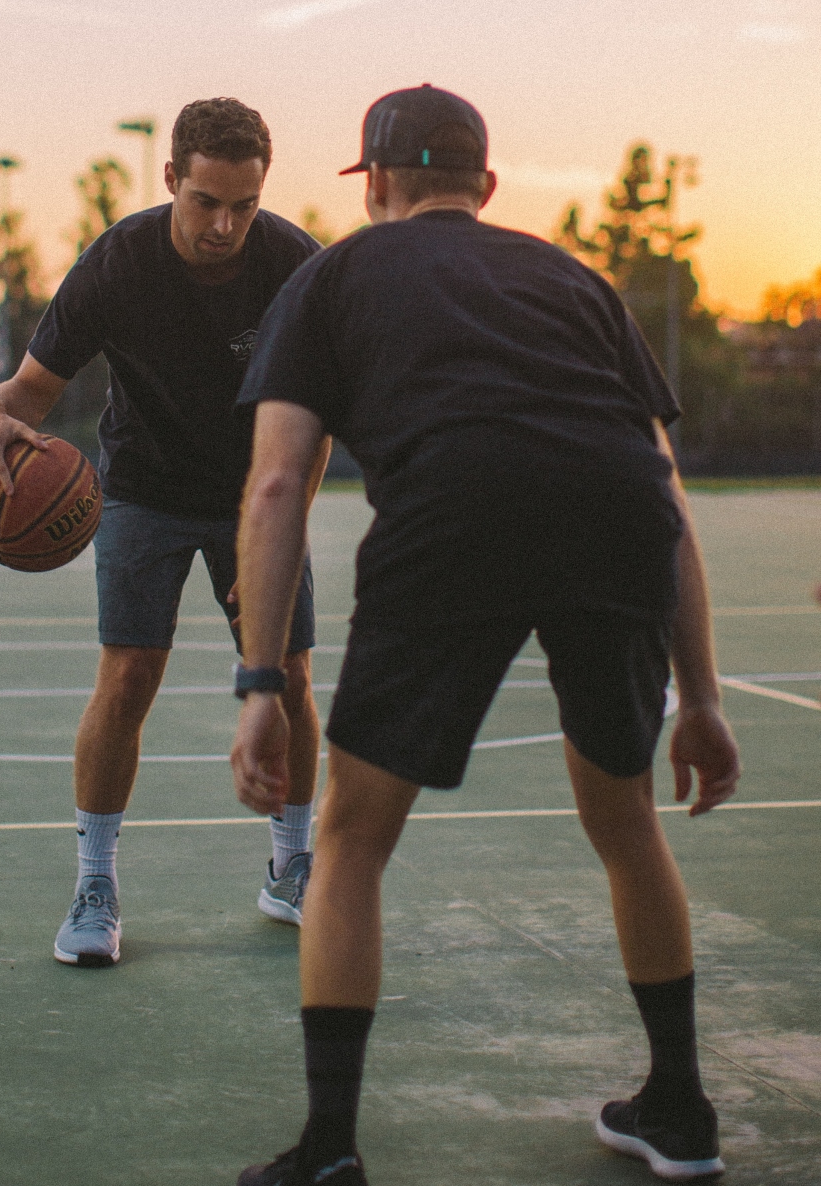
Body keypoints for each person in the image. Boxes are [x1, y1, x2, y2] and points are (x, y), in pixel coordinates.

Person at [228, 85, 740, 1184]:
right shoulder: (573, 280)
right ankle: (680, 1109)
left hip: (454, 505)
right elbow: (663, 486)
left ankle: (329, 1143)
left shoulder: (331, 276)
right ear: (485, 187)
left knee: (352, 837)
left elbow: (275, 486)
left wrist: (260, 678)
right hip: (613, 513)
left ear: (371, 186)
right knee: (625, 817)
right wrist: (697, 697)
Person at [0, 98, 331, 969]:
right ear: (171, 179)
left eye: (243, 203)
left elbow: (317, 421)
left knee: (294, 681)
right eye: (207, 201)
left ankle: (291, 866)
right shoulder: (117, 265)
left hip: (260, 493)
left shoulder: (293, 265)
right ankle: (95, 885)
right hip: (144, 490)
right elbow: (30, 391)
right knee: (129, 675)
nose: (226, 224)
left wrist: (275, 533)